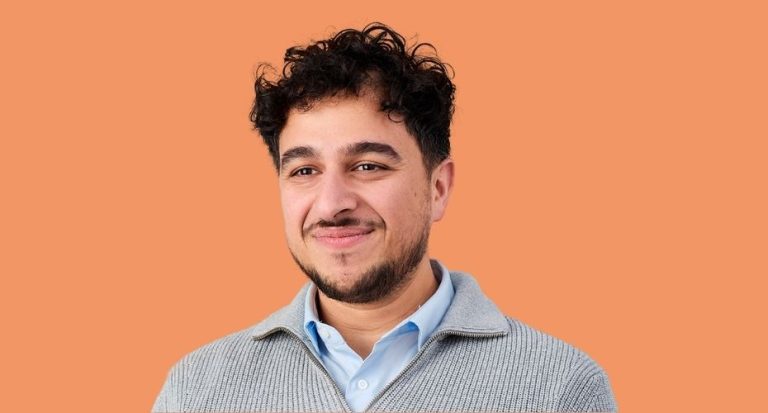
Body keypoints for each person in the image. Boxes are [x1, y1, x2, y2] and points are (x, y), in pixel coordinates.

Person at [152, 22, 617, 412]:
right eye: (305, 170)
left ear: (438, 188)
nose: (332, 203)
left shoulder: (561, 388)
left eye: (368, 166)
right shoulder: (197, 389)